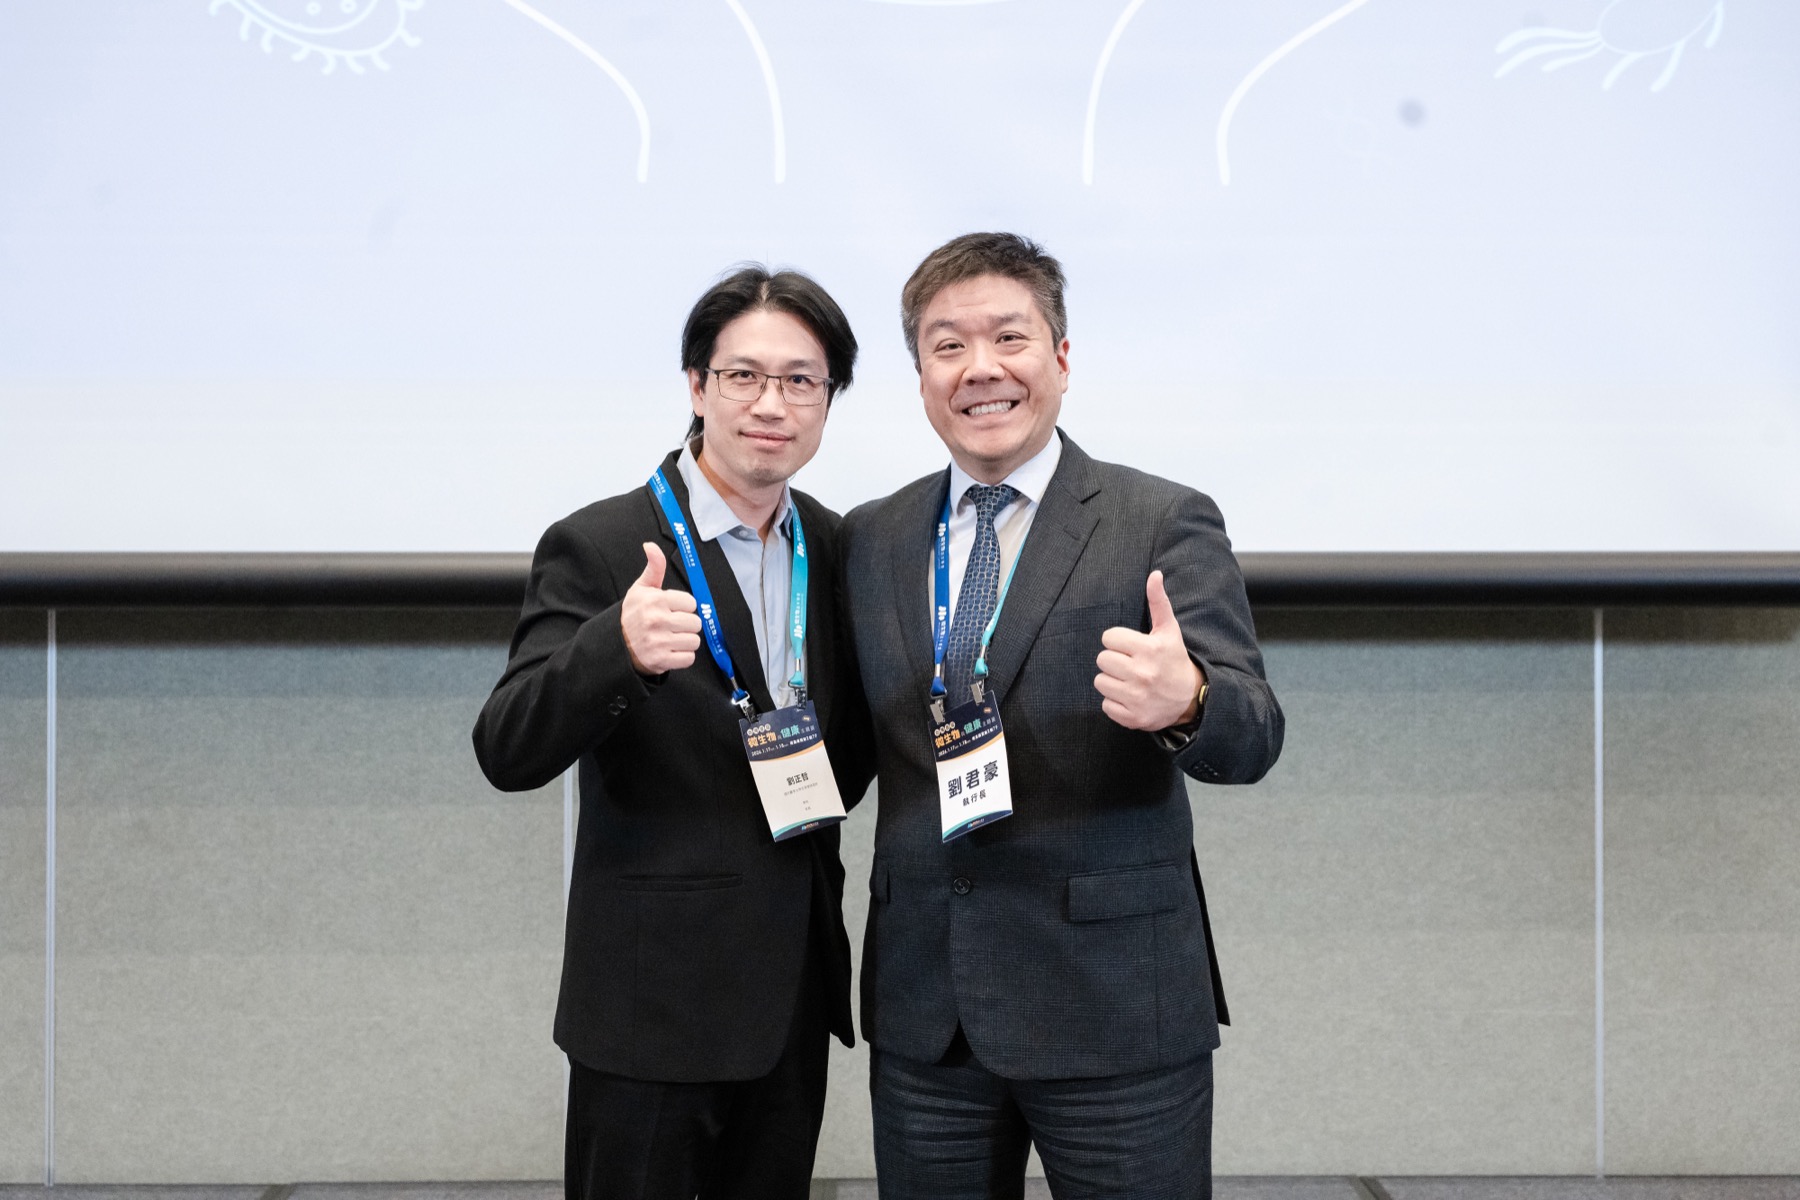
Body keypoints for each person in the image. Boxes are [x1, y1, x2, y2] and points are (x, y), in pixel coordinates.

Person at [839, 232, 1285, 1200]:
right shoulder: (871, 537)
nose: (980, 367)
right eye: (948, 346)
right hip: (928, 1013)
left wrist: (1189, 702)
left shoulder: (1160, 518)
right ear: (921, 378)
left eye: (1010, 337)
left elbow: (1254, 730)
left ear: (1062, 358)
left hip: (1113, 1004)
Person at [472, 265, 872, 1200]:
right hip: (651, 1003)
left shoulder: (837, 545)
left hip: (790, 992)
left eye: (801, 381)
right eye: (744, 376)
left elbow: (847, 749)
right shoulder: (602, 543)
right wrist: (612, 650)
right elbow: (507, 747)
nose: (771, 404)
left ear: (828, 401)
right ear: (696, 385)